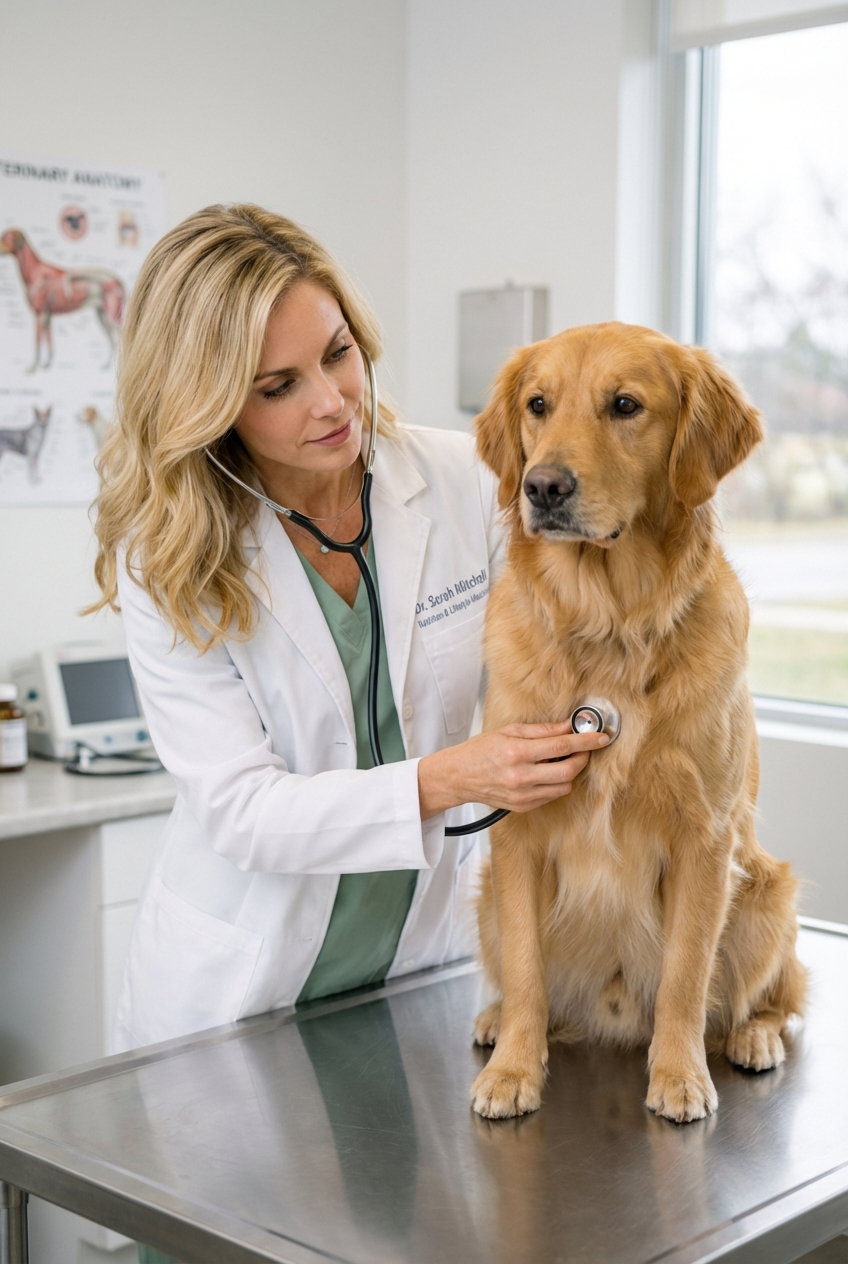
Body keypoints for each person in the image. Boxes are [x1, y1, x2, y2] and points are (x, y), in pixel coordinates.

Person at [90, 203, 608, 1056]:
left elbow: (579, 641)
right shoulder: (171, 554)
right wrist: (447, 778)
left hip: (418, 966)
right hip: (241, 991)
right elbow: (241, 812)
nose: (332, 402)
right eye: (277, 386)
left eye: (337, 352)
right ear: (207, 401)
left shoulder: (463, 480)